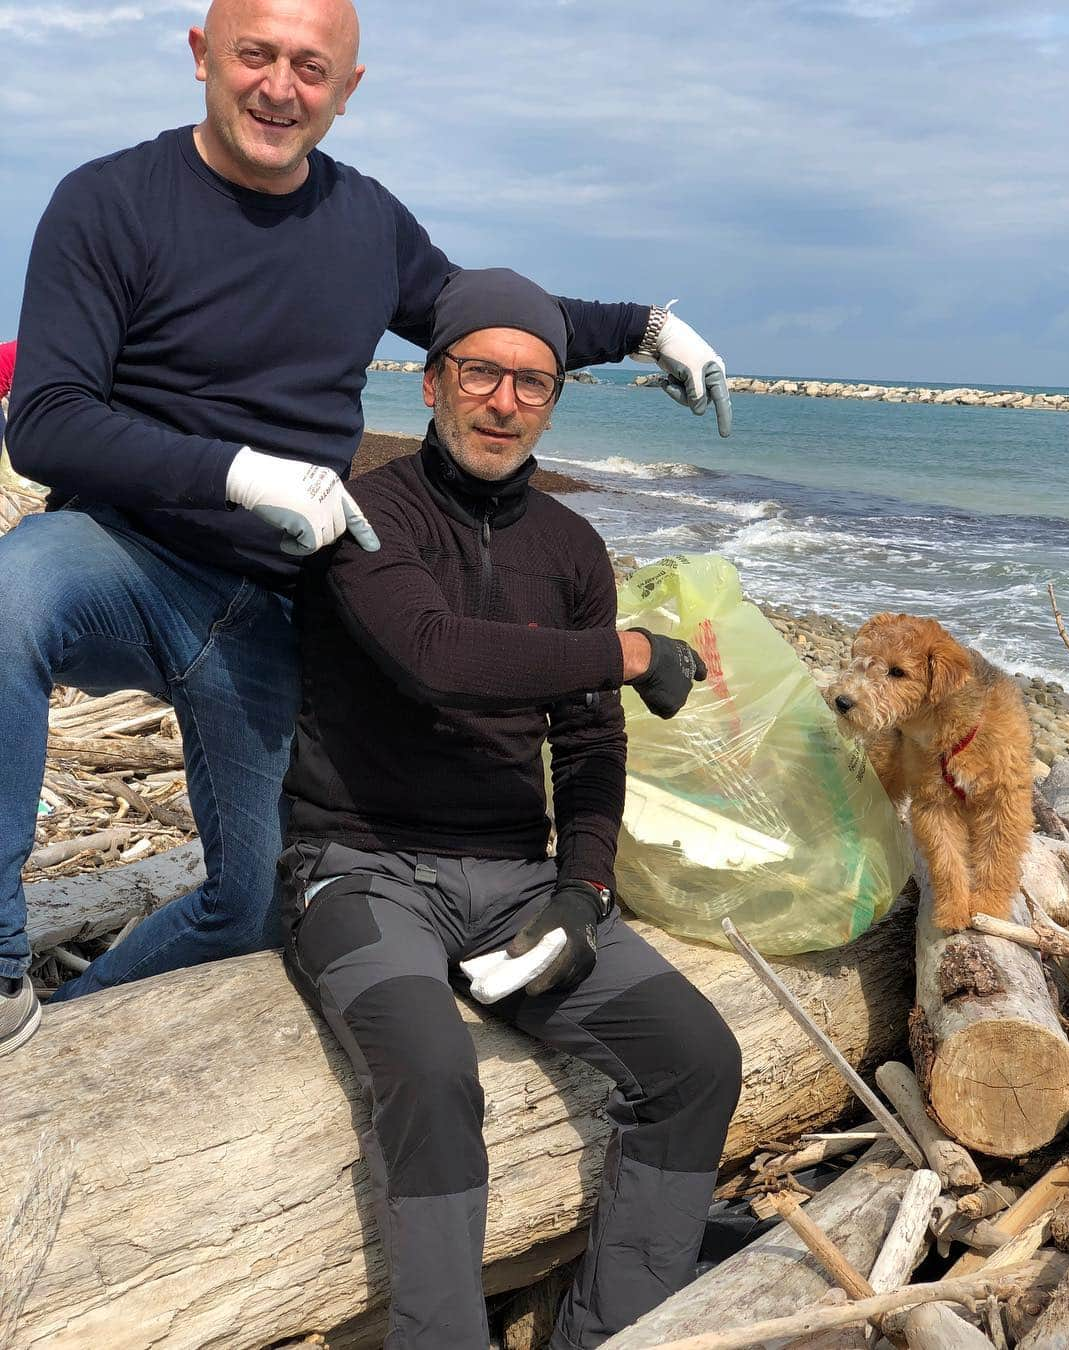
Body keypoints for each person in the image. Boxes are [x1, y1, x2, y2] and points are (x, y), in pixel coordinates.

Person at [0, 0, 733, 1051]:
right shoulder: (108, 202)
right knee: (10, 593)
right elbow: (48, 423)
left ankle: (63, 1028)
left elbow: (486, 316)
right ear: (203, 56)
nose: (279, 87)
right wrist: (239, 472)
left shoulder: (367, 224)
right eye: (256, 55)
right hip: (126, 558)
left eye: (311, 67)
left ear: (348, 91)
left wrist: (646, 328)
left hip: (276, 609)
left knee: (252, 908)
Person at [278, 267, 742, 1350]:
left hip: (514, 880)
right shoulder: (364, 509)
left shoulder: (572, 549)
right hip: (359, 866)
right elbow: (438, 657)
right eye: (481, 373)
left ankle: (607, 1331)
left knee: (697, 1062)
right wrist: (630, 648)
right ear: (432, 385)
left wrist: (581, 894)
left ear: (554, 402)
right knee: (436, 1074)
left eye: (532, 382)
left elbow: (588, 743)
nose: (504, 401)